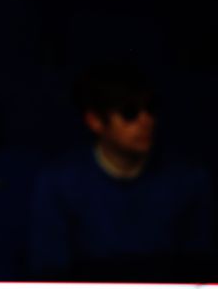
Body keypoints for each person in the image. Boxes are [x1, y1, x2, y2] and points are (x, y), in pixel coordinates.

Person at [28, 61, 216, 281]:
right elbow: (49, 272)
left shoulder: (189, 181)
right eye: (130, 113)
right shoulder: (60, 183)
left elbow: (201, 270)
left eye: (151, 109)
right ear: (95, 121)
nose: (146, 121)